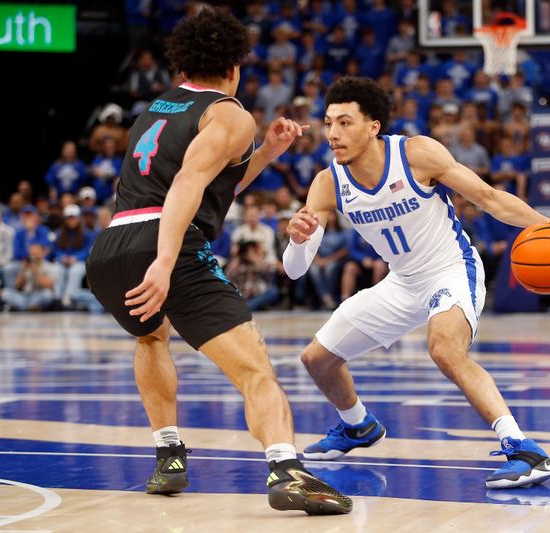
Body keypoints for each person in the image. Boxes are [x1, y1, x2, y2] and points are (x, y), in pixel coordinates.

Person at [84, 9, 351, 515]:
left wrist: (266, 154)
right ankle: (286, 470)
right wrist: (164, 262)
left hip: (112, 248)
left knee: (151, 336)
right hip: (167, 244)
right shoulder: (229, 112)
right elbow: (186, 186)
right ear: (235, 65)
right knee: (255, 370)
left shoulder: (155, 109)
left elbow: (204, 184)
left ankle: (168, 455)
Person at [283, 76, 550, 489]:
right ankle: (358, 426)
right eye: (329, 122)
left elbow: (489, 198)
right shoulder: (327, 182)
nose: (333, 133)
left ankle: (525, 450)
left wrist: (547, 224)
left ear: (373, 126)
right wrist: (298, 241)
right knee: (316, 360)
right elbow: (295, 270)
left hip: (450, 268)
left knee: (444, 350)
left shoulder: (416, 154)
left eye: (345, 122)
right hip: (401, 282)